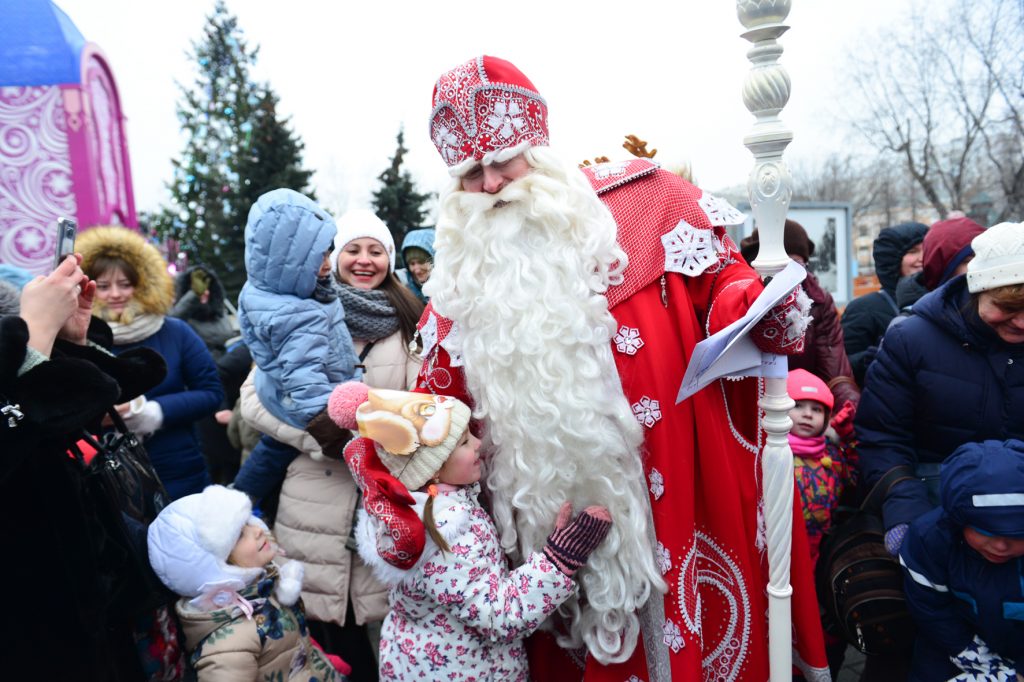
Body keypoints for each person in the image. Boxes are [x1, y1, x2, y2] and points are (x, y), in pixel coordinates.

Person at [414, 55, 827, 681]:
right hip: (538, 551)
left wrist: (761, 304)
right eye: (472, 173)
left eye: (505, 160)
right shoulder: (456, 284)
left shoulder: (642, 204)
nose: (492, 184)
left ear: (540, 149)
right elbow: (429, 418)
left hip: (666, 499)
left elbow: (723, 288)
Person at [327, 383, 612, 681]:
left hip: (420, 662)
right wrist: (557, 561)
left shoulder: (409, 510)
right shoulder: (445, 534)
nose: (478, 443)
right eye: (463, 442)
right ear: (432, 468)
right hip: (466, 670)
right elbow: (497, 615)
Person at [247, 208, 423, 679]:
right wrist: (321, 437)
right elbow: (253, 400)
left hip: (382, 507)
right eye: (353, 249)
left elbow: (422, 412)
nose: (365, 260)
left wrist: (373, 438)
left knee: (388, 649)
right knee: (325, 651)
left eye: (377, 250)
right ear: (331, 257)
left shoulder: (411, 326)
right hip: (312, 507)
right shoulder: (298, 309)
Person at [2, 255, 169, 679]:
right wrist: (35, 340)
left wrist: (69, 343)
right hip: (31, 617)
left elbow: (66, 419)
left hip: (85, 583)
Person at [857, 220, 1024, 556]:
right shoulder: (911, 340)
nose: (1021, 322)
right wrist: (907, 514)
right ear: (977, 290)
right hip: (936, 514)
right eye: (1007, 308)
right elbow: (882, 437)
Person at [233, 188, 360, 503]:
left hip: (275, 390)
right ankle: (240, 503)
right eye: (319, 257)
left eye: (329, 253)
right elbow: (305, 382)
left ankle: (240, 500)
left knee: (269, 455)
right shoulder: (300, 314)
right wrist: (335, 437)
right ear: (289, 260)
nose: (329, 265)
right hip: (310, 405)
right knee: (275, 453)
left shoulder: (268, 290)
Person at [78, 226, 224, 500]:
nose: (115, 294)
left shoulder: (175, 331)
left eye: (125, 284)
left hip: (178, 468)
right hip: (105, 474)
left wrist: (154, 412)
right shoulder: (77, 338)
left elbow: (211, 392)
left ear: (142, 284)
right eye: (104, 285)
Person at [147, 484, 348, 681]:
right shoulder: (228, 646)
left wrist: (318, 663)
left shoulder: (262, 587)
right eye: (239, 535)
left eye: (249, 521)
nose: (257, 530)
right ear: (215, 567)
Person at [898, 439, 1024, 681]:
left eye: (1017, 534)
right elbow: (930, 606)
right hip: (951, 643)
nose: (1000, 545)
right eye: (985, 531)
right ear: (958, 519)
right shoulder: (930, 539)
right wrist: (970, 653)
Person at [742, 219, 860, 407]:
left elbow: (834, 367)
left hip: (805, 406)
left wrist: (848, 405)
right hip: (751, 406)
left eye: (796, 263)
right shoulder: (739, 298)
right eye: (780, 264)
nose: (788, 272)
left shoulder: (819, 302)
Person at [173, 264, 242, 484]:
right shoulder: (183, 319)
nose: (204, 293)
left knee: (227, 451)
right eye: (197, 289)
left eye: (207, 288)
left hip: (225, 385)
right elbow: (173, 318)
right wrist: (193, 294)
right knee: (208, 453)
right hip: (198, 385)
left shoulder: (218, 314)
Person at [841, 221, 928, 385]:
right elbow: (845, 366)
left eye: (926, 249)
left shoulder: (941, 299)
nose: (922, 258)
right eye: (912, 251)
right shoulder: (864, 308)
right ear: (893, 260)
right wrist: (877, 357)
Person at [889, 215, 987, 327]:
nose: (981, 265)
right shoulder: (908, 328)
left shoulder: (1002, 311)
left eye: (986, 257)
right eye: (969, 260)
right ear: (943, 270)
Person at [396, 227, 435, 304]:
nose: (417, 270)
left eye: (421, 262)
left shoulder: (452, 291)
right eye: (412, 264)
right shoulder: (401, 288)